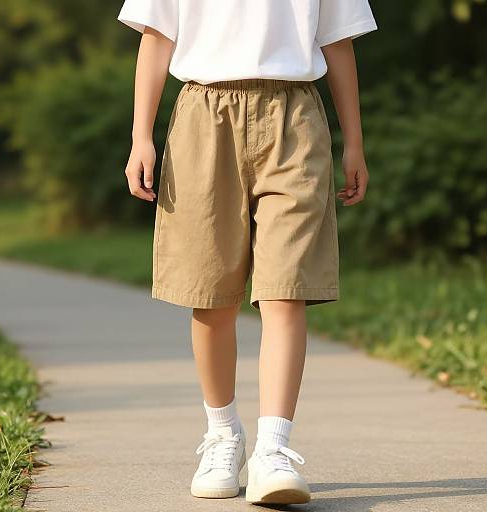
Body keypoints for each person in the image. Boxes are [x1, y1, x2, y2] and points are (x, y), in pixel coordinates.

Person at [117, 0, 376, 505]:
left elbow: (338, 41)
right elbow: (156, 35)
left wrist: (355, 143)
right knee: (209, 293)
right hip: (203, 114)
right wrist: (139, 136)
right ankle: (223, 435)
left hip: (295, 118)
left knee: (287, 288)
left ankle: (273, 451)